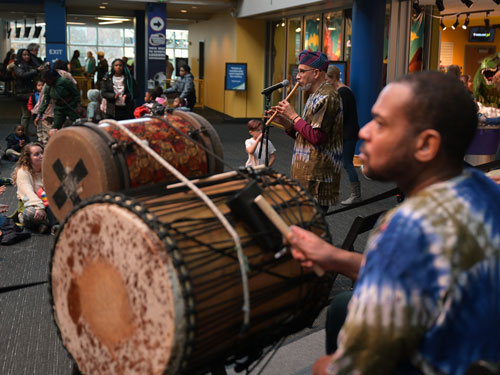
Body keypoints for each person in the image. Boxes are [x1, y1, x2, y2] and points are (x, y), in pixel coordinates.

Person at [286, 71, 500, 375]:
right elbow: (425, 272)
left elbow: (350, 371)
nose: (364, 132)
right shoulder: (486, 190)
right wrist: (335, 257)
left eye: (382, 124)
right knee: (342, 306)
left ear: (426, 145)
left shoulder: (407, 226)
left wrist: (323, 367)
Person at [268, 50, 343, 211]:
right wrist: (286, 122)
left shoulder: (327, 97)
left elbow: (317, 137)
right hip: (306, 174)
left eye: (302, 71)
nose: (297, 76)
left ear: (316, 73)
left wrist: (293, 115)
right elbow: (305, 136)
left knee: (310, 229)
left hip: (317, 178)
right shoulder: (313, 95)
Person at [326, 65, 361, 205]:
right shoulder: (342, 91)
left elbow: (342, 116)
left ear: (334, 77)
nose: (326, 82)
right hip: (345, 133)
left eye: (327, 79)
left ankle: (356, 195)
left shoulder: (343, 92)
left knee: (347, 164)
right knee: (340, 162)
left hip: (348, 134)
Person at [12, 142, 57, 233]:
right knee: (30, 213)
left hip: (48, 203)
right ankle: (54, 224)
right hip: (32, 205)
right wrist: (39, 207)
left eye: (42, 152)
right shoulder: (23, 172)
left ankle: (45, 225)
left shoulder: (47, 167)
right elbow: (28, 193)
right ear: (28, 159)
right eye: (36, 154)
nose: (41, 156)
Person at [13, 48, 44, 134]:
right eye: (24, 55)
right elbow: (22, 75)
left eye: (28, 55)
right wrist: (36, 71)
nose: (27, 57)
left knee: (28, 114)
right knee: (26, 115)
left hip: (29, 92)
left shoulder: (30, 64)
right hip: (23, 93)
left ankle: (25, 131)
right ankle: (23, 133)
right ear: (20, 56)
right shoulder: (18, 66)